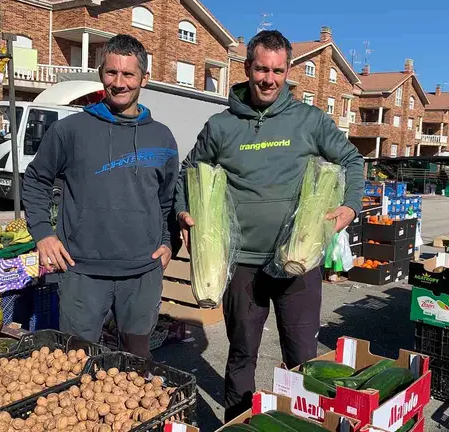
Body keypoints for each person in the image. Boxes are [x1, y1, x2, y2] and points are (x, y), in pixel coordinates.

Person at [173, 30, 364, 419]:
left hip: (297, 261)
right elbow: (188, 171)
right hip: (242, 262)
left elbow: (352, 160)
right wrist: (182, 212)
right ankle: (239, 422)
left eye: (278, 71)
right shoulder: (221, 125)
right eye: (262, 69)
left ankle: (301, 424)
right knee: (242, 352)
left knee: (302, 355)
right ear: (247, 68)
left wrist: (351, 206)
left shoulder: (310, 120)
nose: (269, 79)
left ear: (288, 71)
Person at [22, 34, 179, 359]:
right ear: (100, 73)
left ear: (144, 78)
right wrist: (43, 234)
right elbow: (36, 179)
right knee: (77, 361)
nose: (119, 83)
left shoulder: (162, 137)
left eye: (128, 74)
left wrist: (167, 242)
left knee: (138, 361)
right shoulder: (70, 130)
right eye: (111, 72)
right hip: (83, 272)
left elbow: (166, 200)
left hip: (142, 272)